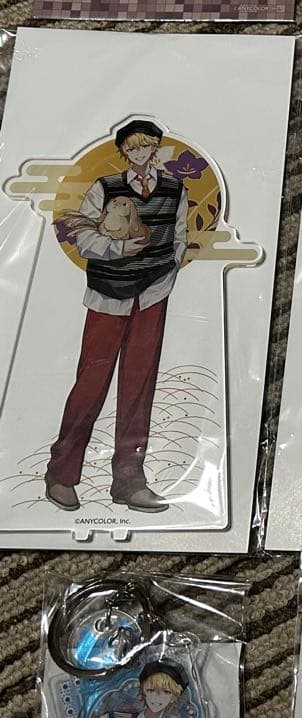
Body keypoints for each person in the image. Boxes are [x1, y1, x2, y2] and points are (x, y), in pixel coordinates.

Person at [44, 119, 188, 514]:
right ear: (124, 151)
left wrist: (165, 272)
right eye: (133, 147)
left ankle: (129, 479)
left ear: (155, 148)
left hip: (152, 294)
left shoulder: (175, 188)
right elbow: (84, 238)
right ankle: (62, 472)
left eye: (147, 146)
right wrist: (118, 251)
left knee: (139, 385)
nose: (141, 153)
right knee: (91, 382)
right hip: (108, 295)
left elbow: (179, 237)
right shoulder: (105, 187)